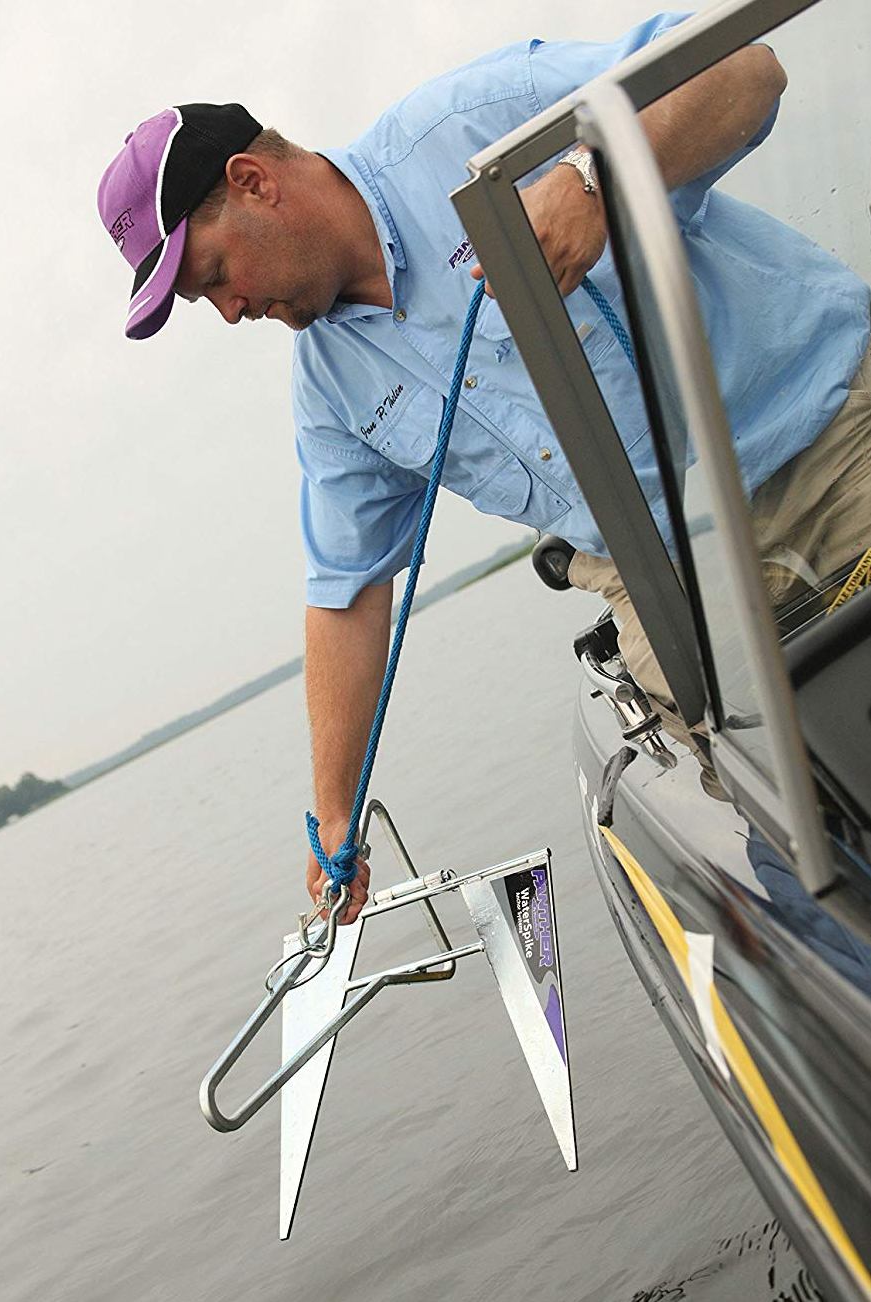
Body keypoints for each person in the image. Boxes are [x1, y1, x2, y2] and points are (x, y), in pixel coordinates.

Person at [97, 13, 871, 925]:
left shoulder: (474, 120)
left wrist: (592, 178)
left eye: (214, 275)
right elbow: (347, 593)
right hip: (658, 586)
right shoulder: (329, 390)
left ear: (253, 182)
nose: (229, 312)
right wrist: (336, 814)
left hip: (823, 445)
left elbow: (746, 68)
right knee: (787, 855)